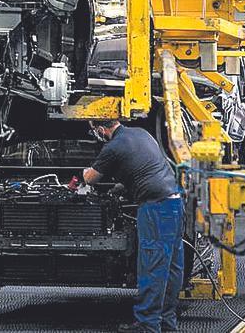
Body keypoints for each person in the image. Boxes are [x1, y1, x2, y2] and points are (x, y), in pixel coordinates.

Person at [83, 119, 184, 333]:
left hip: (155, 208)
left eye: (95, 130)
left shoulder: (112, 147)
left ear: (101, 129)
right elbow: (144, 165)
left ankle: (147, 325)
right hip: (174, 203)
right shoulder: (141, 133)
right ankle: (167, 322)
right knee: (172, 267)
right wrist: (123, 185)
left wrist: (83, 174)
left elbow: (90, 178)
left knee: (152, 267)